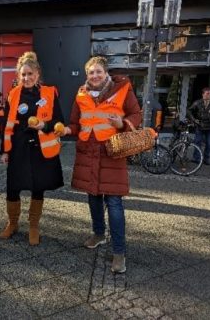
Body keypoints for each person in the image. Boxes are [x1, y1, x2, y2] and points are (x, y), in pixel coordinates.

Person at [60, 56, 141, 273]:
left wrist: (122, 123)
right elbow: (77, 123)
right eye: (91, 73)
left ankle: (119, 253)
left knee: (114, 204)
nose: (94, 76)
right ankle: (98, 233)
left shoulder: (122, 89)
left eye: (98, 72)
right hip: (88, 154)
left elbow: (136, 114)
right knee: (93, 198)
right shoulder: (81, 94)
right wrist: (67, 130)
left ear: (106, 73)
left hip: (112, 152)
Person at [0, 51, 64, 246]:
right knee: (12, 187)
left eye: (30, 74)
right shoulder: (13, 94)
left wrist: (45, 125)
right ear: (19, 76)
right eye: (23, 75)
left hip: (40, 147)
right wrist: (4, 150)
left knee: (38, 188)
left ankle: (33, 226)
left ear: (37, 74)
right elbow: (6, 124)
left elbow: (59, 121)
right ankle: (13, 223)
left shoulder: (49, 93)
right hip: (18, 146)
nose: (26, 78)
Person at [187, 87, 210, 165]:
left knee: (209, 143)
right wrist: (194, 119)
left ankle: (206, 159)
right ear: (203, 94)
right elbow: (189, 110)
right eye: (207, 93)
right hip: (200, 126)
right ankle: (196, 158)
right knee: (197, 142)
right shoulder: (198, 102)